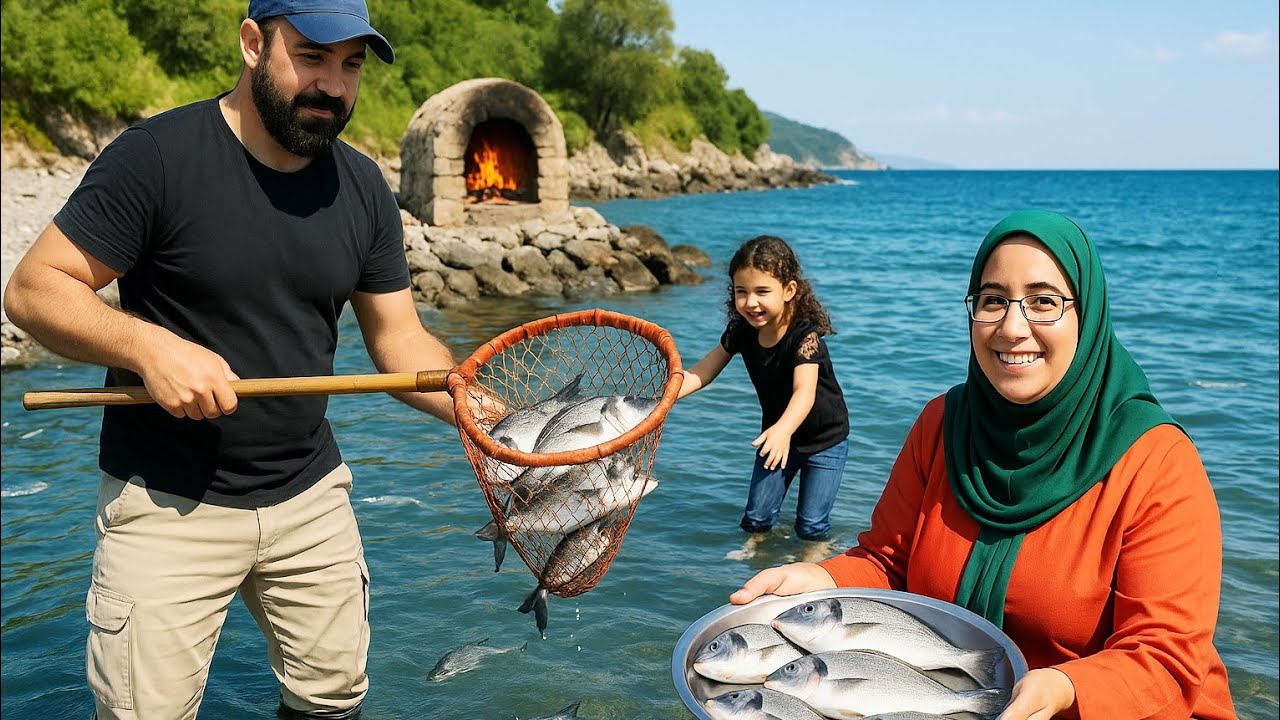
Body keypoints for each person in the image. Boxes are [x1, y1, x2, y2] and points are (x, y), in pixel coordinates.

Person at [1, 2, 456, 718]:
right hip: (166, 500)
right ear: (252, 43)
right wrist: (149, 346)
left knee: (333, 700)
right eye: (312, 56)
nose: (334, 86)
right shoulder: (156, 158)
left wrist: (486, 412)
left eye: (351, 65)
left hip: (310, 496)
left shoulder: (363, 186)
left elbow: (399, 341)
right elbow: (33, 289)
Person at [727, 211, 1236, 719]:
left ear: (1090, 314)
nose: (1012, 328)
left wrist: (1065, 688)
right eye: (993, 301)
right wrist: (822, 582)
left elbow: (1168, 660)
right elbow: (888, 562)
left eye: (1044, 302)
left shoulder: (1156, 462)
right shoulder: (943, 424)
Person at [678, 235, 850, 542]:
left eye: (762, 291)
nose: (750, 302)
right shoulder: (741, 330)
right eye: (741, 292)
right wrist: (668, 394)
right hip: (776, 437)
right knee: (756, 519)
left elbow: (804, 392)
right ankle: (753, 558)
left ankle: (815, 563)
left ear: (789, 290)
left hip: (825, 441)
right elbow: (703, 371)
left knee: (811, 525)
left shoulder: (805, 337)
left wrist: (783, 429)